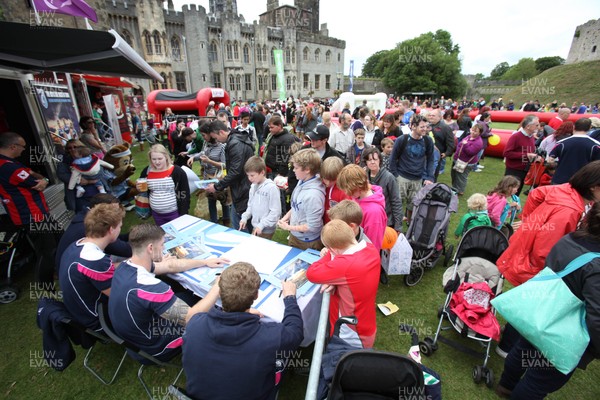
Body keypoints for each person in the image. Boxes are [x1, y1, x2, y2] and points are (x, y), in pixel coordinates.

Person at [496, 201, 600, 399]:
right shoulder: (596, 266)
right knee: (540, 380)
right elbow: (597, 316)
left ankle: (505, 386)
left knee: (523, 351)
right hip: (563, 331)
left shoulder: (570, 239)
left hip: (539, 314)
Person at [183, 262, 303, 400]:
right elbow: (295, 332)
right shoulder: (271, 338)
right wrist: (290, 298)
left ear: (219, 292)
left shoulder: (195, 324)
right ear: (256, 295)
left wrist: (240, 314)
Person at [109, 224, 226, 362]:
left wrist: (205, 262)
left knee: (187, 297)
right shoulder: (150, 287)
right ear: (150, 248)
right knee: (212, 316)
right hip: (155, 345)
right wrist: (218, 285)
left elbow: (169, 265)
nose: (164, 248)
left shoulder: (125, 266)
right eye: (162, 244)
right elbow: (190, 318)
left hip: (135, 338)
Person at [497, 160, 600, 287]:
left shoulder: (568, 190)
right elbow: (544, 251)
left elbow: (536, 194)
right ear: (593, 186)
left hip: (526, 258)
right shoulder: (569, 211)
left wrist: (529, 221)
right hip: (532, 271)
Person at [307, 220, 380, 348]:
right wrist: (335, 281)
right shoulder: (370, 248)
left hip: (350, 331)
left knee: (343, 361)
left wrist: (330, 255)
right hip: (366, 321)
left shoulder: (344, 265)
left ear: (333, 249)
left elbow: (312, 273)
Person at [0, 131, 57, 284]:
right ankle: (45, 280)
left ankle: (56, 271)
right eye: (22, 147)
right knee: (46, 249)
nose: (24, 150)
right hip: (32, 215)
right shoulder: (7, 167)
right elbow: (37, 184)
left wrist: (42, 178)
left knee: (56, 240)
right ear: (12, 146)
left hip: (37, 212)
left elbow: (33, 174)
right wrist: (43, 179)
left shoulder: (11, 163)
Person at [59, 204, 125, 330]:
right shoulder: (95, 260)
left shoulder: (78, 245)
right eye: (120, 227)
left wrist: (134, 263)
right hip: (101, 320)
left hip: (81, 312)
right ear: (111, 229)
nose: (120, 230)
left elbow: (104, 270)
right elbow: (122, 296)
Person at [55, 194, 132, 270]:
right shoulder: (91, 228)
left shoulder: (87, 218)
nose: (117, 214)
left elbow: (116, 240)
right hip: (77, 270)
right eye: (114, 211)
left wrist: (130, 235)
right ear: (101, 211)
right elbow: (124, 250)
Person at [205, 120, 254, 230]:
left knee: (241, 225)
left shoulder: (235, 144)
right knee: (239, 221)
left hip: (243, 188)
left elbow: (235, 171)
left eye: (216, 138)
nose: (217, 141)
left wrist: (217, 186)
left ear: (221, 132)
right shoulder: (235, 140)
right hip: (242, 186)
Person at [389, 114, 435, 221]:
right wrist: (395, 175)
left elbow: (431, 159)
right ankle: (397, 224)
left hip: (418, 179)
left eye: (426, 126)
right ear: (413, 126)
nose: (425, 129)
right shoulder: (402, 139)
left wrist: (429, 177)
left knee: (414, 204)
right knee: (397, 203)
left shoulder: (428, 141)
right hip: (402, 177)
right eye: (422, 127)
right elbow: (393, 158)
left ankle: (410, 224)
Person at [277, 148, 326, 251]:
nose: (293, 170)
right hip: (296, 235)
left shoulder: (313, 196)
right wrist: (286, 218)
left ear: (307, 169)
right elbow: (297, 206)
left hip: (308, 242)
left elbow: (312, 226)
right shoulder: (302, 180)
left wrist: (289, 227)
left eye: (296, 168)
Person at [336, 164, 387, 250]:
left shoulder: (374, 213)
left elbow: (372, 246)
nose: (346, 193)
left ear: (358, 187)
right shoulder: (357, 196)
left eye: (348, 191)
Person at [138, 144, 190, 225]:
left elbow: (185, 193)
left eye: (160, 158)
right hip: (157, 214)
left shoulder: (177, 171)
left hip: (175, 213)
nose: (157, 162)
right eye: (154, 159)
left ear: (166, 157)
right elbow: (143, 188)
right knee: (162, 235)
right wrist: (139, 188)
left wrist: (183, 213)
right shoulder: (147, 171)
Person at [548, 118, 600, 184]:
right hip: (582, 181)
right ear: (590, 128)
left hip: (561, 179)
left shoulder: (561, 143)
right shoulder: (595, 145)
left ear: (574, 127)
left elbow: (550, 159)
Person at [239, 156, 281, 239]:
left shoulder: (271, 188)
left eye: (252, 175)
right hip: (256, 227)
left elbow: (275, 212)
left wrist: (262, 224)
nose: (249, 178)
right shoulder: (253, 186)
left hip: (266, 229)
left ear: (262, 172)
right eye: (248, 175)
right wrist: (244, 218)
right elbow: (250, 205)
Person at [363, 147, 403, 233]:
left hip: (386, 222)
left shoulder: (389, 177)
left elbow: (396, 201)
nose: (372, 162)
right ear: (365, 162)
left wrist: (398, 226)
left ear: (380, 160)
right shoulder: (364, 176)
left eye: (375, 159)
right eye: (369, 160)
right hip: (369, 221)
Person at [503, 115, 540, 196]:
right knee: (508, 193)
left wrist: (535, 157)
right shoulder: (516, 136)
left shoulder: (531, 137)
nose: (539, 127)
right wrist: (526, 155)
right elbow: (507, 153)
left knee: (516, 194)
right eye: (536, 125)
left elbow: (528, 152)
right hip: (513, 171)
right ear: (528, 126)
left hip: (524, 170)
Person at [451, 124, 484, 195]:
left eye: (475, 131)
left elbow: (471, 152)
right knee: (455, 174)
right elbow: (460, 144)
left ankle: (460, 191)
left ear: (479, 133)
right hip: (459, 160)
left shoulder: (478, 142)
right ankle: (454, 188)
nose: (473, 132)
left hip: (466, 163)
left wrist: (465, 145)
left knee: (462, 177)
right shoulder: (469, 136)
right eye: (472, 130)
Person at [321, 156, 351, 224]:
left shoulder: (344, 191)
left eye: (332, 180)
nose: (328, 182)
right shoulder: (322, 184)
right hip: (324, 223)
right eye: (325, 178)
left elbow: (346, 214)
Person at [428, 109, 455, 174]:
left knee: (433, 174)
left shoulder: (445, 127)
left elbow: (451, 142)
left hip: (437, 155)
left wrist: (447, 153)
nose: (431, 117)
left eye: (433, 115)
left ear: (440, 117)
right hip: (427, 154)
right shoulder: (427, 126)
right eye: (430, 115)